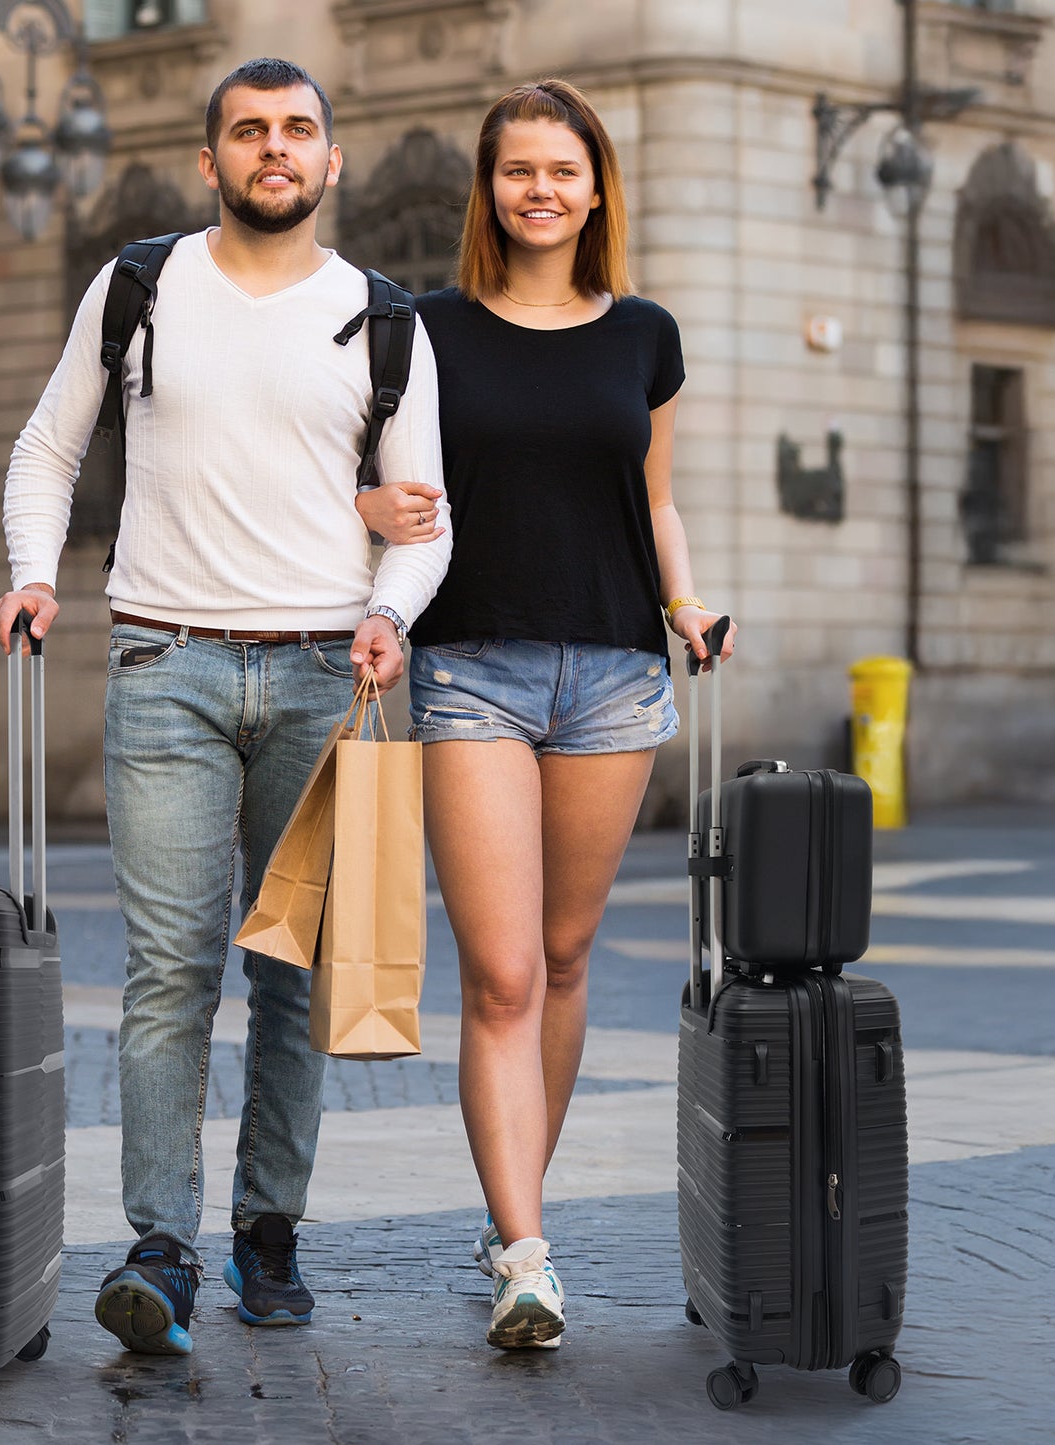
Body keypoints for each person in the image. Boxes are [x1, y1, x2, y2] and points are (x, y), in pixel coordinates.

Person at [0, 57, 450, 1356]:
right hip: (165, 667)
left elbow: (423, 520)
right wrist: (34, 572)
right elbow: (46, 448)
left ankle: (268, 1231)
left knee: (293, 977)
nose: (274, 148)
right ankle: (161, 1248)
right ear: (212, 161)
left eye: (297, 129)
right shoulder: (138, 285)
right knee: (169, 971)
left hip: (321, 675)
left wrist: (388, 610)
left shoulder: (383, 318)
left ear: (330, 161)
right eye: (249, 130)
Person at [357, 78, 736, 1351]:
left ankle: (509, 1210)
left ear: (594, 189)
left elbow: (654, 495)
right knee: (504, 971)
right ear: (488, 187)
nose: (539, 190)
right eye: (517, 169)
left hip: (617, 675)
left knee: (565, 959)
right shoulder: (427, 330)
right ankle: (526, 1254)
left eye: (561, 170)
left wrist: (684, 601)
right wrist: (366, 513)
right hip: (470, 666)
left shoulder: (644, 335)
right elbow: (363, 473)